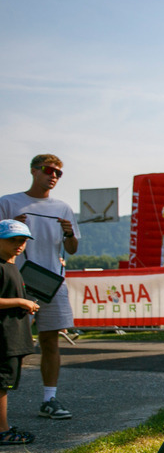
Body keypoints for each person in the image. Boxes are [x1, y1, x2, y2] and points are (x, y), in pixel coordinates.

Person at [0, 154, 80, 420]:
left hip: (52, 282)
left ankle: (49, 399)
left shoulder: (63, 208)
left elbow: (72, 248)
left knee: (50, 340)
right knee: (7, 344)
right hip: (16, 281)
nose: (53, 176)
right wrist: (14, 226)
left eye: (58, 173)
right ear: (34, 171)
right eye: (49, 170)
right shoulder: (9, 203)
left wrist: (69, 233)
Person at [0, 220, 41, 445]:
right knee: (1, 384)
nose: (18, 245)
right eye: (11, 240)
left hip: (13, 336)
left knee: (5, 382)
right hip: (3, 337)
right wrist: (20, 302)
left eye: (22, 241)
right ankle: (2, 430)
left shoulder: (11, 265)